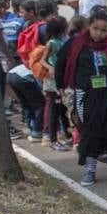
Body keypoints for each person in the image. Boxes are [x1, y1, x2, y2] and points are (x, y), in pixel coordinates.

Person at [57, 8, 107, 185]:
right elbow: (61, 62)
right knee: (90, 131)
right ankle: (90, 170)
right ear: (89, 26)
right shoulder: (75, 44)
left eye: (104, 30)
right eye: (96, 28)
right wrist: (61, 87)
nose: (99, 33)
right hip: (86, 94)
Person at [29, 16, 71, 150]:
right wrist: (50, 67)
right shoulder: (52, 43)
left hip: (63, 79)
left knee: (64, 108)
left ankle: (68, 136)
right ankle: (52, 140)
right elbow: (43, 60)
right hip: (52, 81)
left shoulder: (65, 40)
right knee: (54, 109)